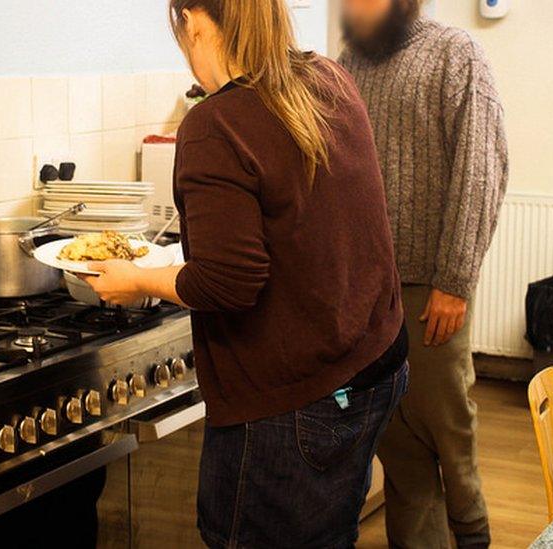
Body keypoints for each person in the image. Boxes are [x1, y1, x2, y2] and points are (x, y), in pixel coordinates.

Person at [83, 1, 408, 546]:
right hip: (374, 365)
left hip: (293, 401)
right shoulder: (326, 77)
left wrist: (137, 279)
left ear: (195, 22)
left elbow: (227, 281)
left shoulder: (215, 125)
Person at [339, 1, 508, 548]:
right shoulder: (347, 65)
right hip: (367, 295)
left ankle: (474, 536)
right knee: (397, 444)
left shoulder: (456, 54)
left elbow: (481, 169)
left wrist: (455, 281)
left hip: (432, 289)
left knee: (448, 434)